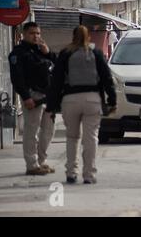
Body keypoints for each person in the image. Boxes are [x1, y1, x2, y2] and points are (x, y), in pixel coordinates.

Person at [47, 25, 116, 184]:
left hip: (70, 99)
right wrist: (112, 101)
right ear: (89, 37)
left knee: (72, 137)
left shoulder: (65, 53)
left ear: (73, 37)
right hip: (92, 99)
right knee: (91, 138)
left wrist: (51, 106)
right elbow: (107, 78)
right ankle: (89, 175)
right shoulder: (96, 52)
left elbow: (56, 81)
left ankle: (71, 173)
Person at [9, 22, 56, 176]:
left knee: (49, 130)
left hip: (47, 96)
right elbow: (17, 78)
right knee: (32, 131)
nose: (36, 36)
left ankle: (41, 161)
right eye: (32, 33)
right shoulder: (19, 53)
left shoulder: (41, 51)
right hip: (32, 96)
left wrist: (48, 53)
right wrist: (25, 96)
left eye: (38, 33)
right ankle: (32, 164)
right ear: (23, 34)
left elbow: (56, 66)